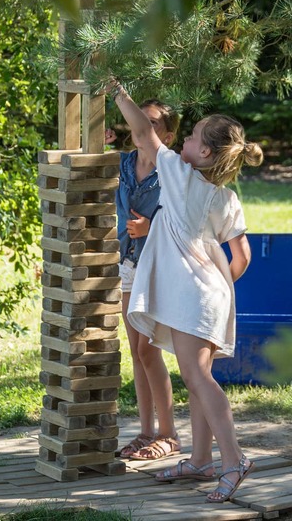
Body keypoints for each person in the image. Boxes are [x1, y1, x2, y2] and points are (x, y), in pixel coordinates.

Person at [107, 79, 264, 504]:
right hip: (213, 293)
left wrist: (118, 92)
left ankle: (233, 460)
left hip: (194, 297)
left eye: (192, 137)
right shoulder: (225, 196)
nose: (185, 142)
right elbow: (243, 255)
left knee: (196, 378)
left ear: (205, 153)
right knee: (200, 378)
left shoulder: (177, 175)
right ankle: (199, 459)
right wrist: (217, 286)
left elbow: (143, 134)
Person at [108, 99, 182, 461]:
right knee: (137, 352)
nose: (140, 128)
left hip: (155, 264)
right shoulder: (124, 163)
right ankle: (146, 431)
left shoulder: (171, 171)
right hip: (127, 265)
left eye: (150, 124)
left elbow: (183, 221)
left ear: (166, 135)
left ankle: (168, 434)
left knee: (149, 350)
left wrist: (151, 228)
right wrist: (101, 144)